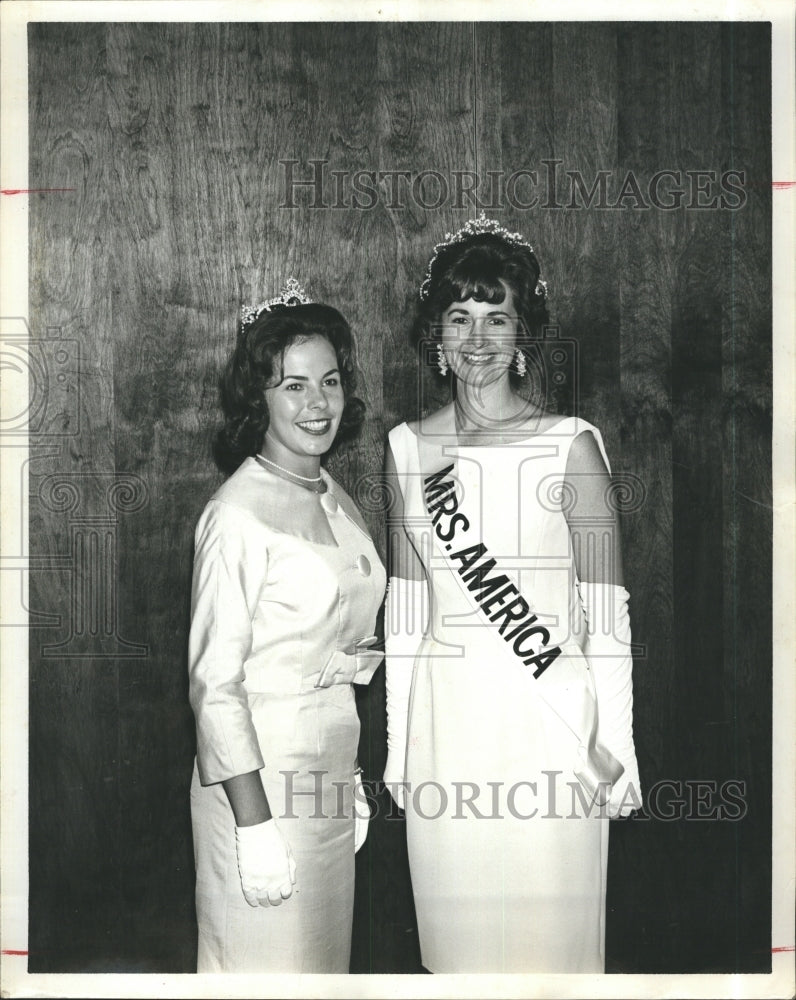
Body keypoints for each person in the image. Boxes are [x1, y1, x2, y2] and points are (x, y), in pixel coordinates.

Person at [383, 215, 642, 973]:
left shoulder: (571, 444)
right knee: (459, 958)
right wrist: (400, 754)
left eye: (498, 318)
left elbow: (609, 617)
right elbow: (404, 616)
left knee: (548, 956)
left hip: (551, 730)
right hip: (447, 735)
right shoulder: (405, 450)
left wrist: (618, 750)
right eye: (460, 317)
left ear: (524, 333)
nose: (478, 337)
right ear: (437, 332)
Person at [188, 278, 386, 973]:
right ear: (259, 397)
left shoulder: (331, 492)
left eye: (329, 381)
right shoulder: (237, 514)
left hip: (327, 781)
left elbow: (340, 645)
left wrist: (350, 774)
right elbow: (215, 686)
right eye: (294, 385)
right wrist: (255, 826)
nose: (317, 403)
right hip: (259, 786)